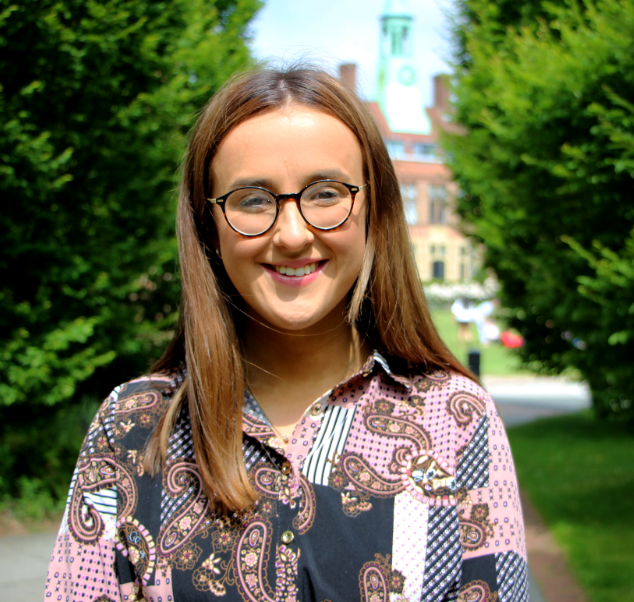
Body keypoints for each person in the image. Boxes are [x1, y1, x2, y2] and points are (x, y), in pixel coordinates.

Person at [45, 67, 528, 602]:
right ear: (209, 228)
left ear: (375, 211)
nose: (293, 234)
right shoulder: (136, 428)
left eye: (326, 193)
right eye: (252, 199)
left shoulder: (453, 419)